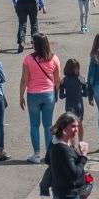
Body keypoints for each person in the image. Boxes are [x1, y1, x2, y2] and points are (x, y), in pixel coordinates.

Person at [20, 33, 61, 164]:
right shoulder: (54, 58)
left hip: (33, 95)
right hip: (49, 94)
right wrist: (56, 93)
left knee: (34, 125)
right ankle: (49, 154)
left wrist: (21, 96)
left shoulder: (28, 59)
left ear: (35, 45)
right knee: (48, 125)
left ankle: (36, 154)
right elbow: (57, 80)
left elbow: (24, 80)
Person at [59, 58, 86, 142]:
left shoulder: (64, 80)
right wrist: (79, 93)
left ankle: (72, 144)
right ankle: (81, 142)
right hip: (79, 105)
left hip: (69, 106)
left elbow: (61, 96)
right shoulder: (80, 79)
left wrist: (68, 93)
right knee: (80, 124)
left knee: (70, 125)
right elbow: (86, 94)